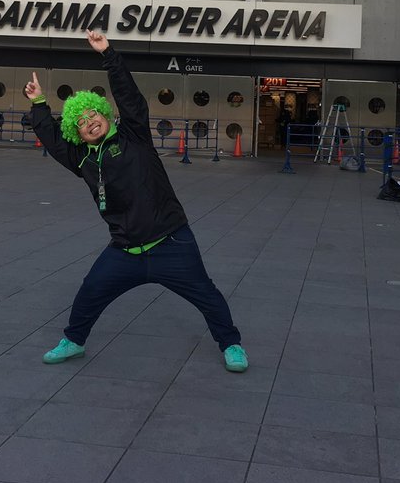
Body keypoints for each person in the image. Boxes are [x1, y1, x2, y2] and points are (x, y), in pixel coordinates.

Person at [25, 30, 248, 373]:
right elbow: (53, 141)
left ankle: (231, 344)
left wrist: (108, 54)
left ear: (104, 113)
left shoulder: (134, 134)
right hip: (124, 249)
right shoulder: (82, 158)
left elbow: (129, 97)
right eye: (81, 123)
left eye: (92, 115)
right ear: (77, 133)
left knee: (206, 294)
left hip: (171, 242)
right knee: (91, 291)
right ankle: (74, 341)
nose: (89, 123)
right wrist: (39, 103)